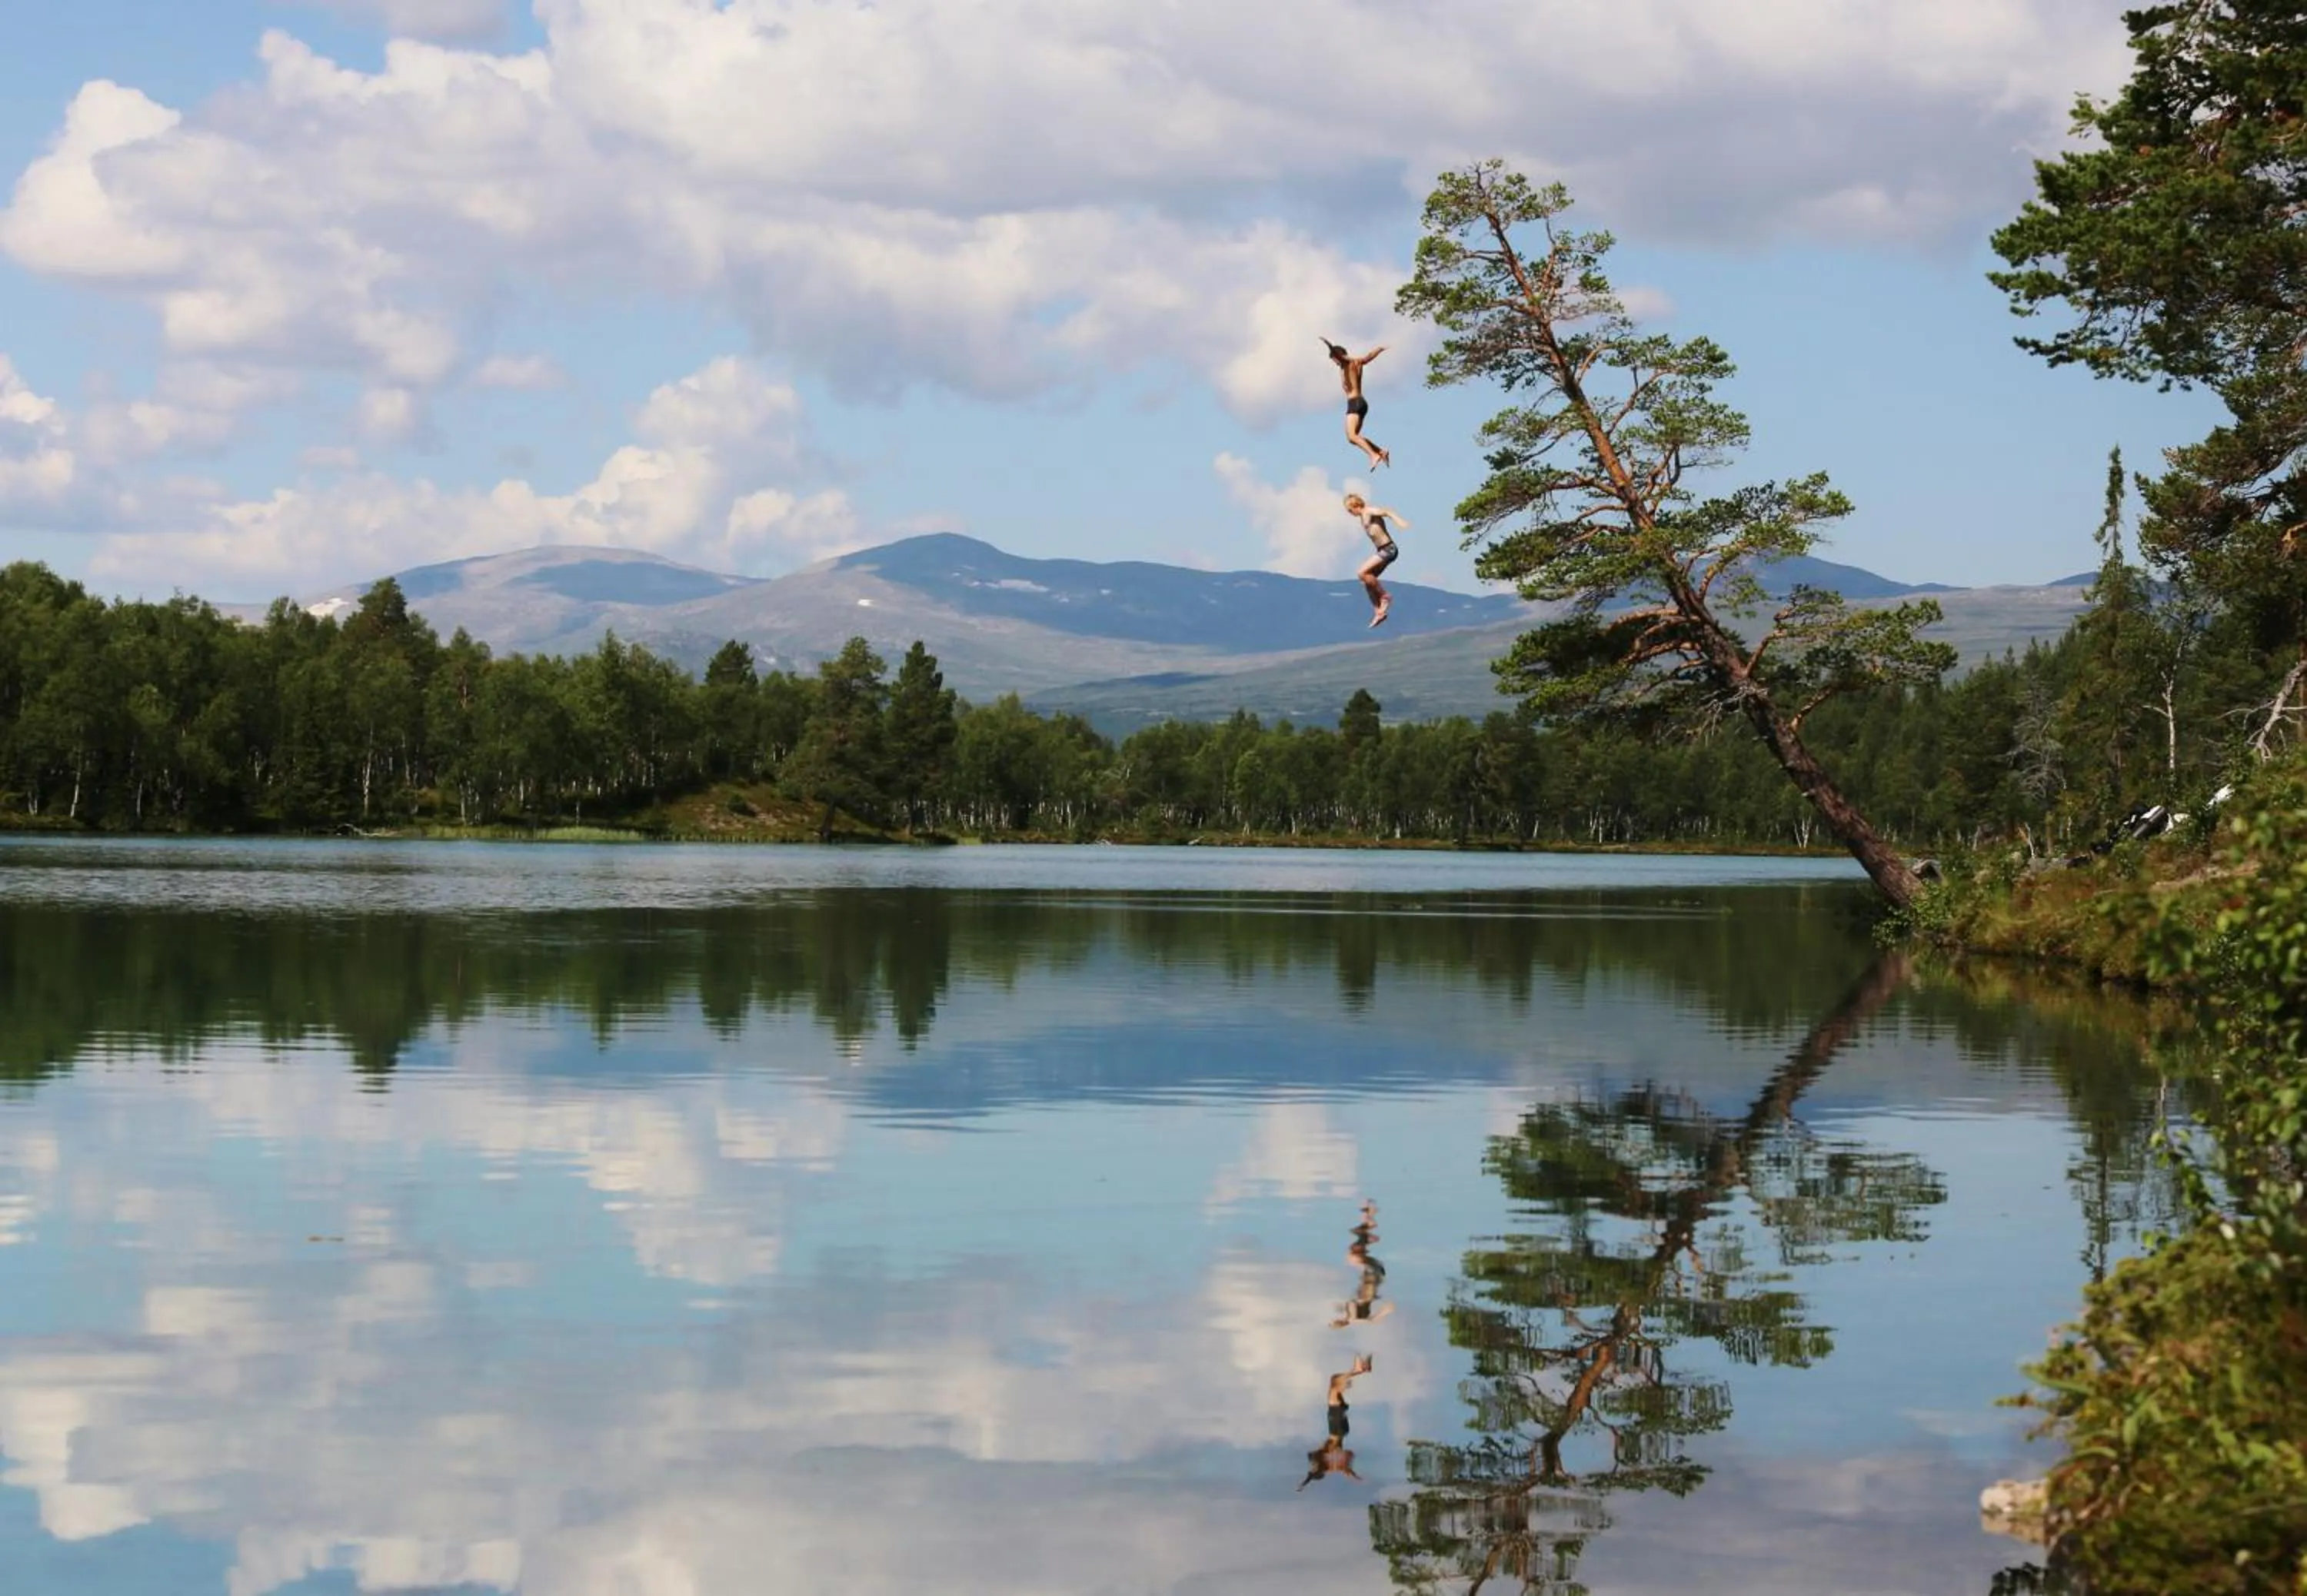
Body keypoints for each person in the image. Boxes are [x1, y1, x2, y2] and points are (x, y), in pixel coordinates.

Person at [1297, 1354, 1374, 1490]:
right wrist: (1306, 1481)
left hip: (1340, 1428)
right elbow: (1319, 1471)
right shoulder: (1326, 1466)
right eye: (1315, 1468)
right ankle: (1358, 1370)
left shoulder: (1330, 1465)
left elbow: (1344, 1471)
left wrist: (1305, 1483)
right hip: (1336, 1428)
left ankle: (1359, 1370)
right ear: (1320, 1471)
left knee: (1334, 1382)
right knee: (1334, 1388)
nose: (1313, 1466)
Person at [1322, 338, 1390, 469]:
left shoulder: (1346, 363)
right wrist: (1380, 348)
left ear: (1338, 356)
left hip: (1354, 403)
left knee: (1352, 436)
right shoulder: (1359, 361)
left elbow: (1338, 356)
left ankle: (1373, 455)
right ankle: (1381, 451)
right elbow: (1369, 357)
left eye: (1334, 360)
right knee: (1353, 437)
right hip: (1362, 403)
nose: (1335, 363)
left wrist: (1329, 346)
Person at [1343, 494, 1407, 628]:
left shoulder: (1368, 511)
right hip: (1382, 551)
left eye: (1350, 510)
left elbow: (1386, 511)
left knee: (1362, 572)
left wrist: (1397, 519)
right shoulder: (1363, 517)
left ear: (1355, 506)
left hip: (1388, 549)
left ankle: (1385, 596)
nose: (1350, 514)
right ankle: (1379, 612)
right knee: (1366, 580)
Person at [1333, 1200, 1393, 1328]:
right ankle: (1368, 1219)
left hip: (1369, 1277)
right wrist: (1386, 1311)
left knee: (1354, 1254)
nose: (1338, 1319)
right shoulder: (1354, 1317)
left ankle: (1368, 1217)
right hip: (1372, 1279)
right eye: (1337, 1321)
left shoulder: (1349, 1313)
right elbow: (1371, 1319)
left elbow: (1357, 1307)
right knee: (1353, 1256)